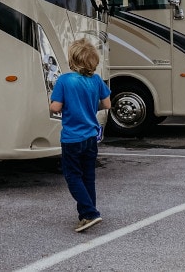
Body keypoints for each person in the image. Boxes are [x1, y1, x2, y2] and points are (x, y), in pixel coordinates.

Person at [49, 38, 111, 233]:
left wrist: (58, 104)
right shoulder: (96, 80)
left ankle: (90, 213)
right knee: (88, 177)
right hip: (91, 137)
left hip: (72, 138)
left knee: (72, 176)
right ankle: (86, 215)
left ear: (72, 60)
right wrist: (91, 105)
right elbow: (107, 104)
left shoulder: (65, 80)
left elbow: (55, 107)